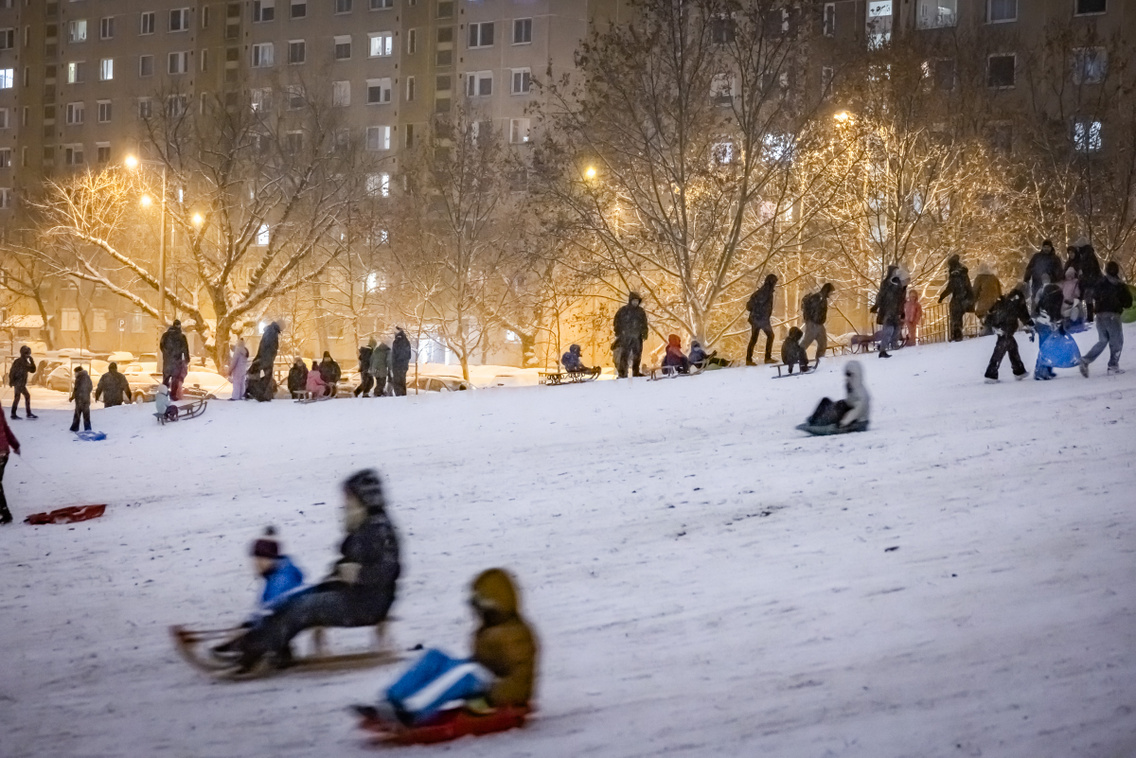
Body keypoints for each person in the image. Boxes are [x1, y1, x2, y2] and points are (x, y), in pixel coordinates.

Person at [229, 469, 401, 675]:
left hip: (368, 604)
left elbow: (389, 570)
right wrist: (335, 575)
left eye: (348, 498)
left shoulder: (379, 530)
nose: (344, 503)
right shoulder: (364, 527)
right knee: (292, 600)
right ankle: (264, 646)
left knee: (304, 608)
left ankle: (253, 653)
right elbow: (347, 561)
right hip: (354, 596)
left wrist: (357, 575)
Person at [359, 568, 538, 728]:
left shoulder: (518, 634)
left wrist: (496, 695)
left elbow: (522, 678)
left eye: (482, 608)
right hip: (481, 676)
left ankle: (412, 711)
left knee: (466, 671)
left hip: (500, 690)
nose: (477, 613)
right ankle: (392, 699)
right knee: (435, 656)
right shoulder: (488, 628)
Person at [212, 527, 306, 658]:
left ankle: (256, 657)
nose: (257, 564)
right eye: (255, 560)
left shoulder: (281, 579)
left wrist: (250, 626)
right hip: (285, 622)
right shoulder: (276, 573)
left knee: (257, 637)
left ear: (272, 559)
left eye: (261, 560)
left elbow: (271, 608)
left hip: (286, 622)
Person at [1081, 261, 1133, 376]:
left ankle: (1085, 360)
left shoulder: (1100, 282)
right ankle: (1113, 366)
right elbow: (1128, 302)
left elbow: (1093, 295)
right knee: (1117, 341)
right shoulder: (1119, 285)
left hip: (1099, 315)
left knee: (1103, 340)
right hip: (1113, 315)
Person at [983, 287, 1033, 383]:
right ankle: (991, 374)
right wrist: (1031, 325)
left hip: (998, 325)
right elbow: (1024, 315)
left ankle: (1019, 371)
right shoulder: (1019, 299)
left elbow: (992, 310)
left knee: (1012, 346)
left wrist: (990, 323)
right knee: (1000, 349)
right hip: (1006, 326)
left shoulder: (1006, 298)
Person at [804, 361, 870, 431]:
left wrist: (843, 423)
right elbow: (850, 401)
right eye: (846, 374)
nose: (846, 377)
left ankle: (818, 422)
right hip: (847, 410)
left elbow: (856, 412)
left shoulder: (861, 394)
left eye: (848, 374)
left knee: (836, 408)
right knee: (826, 401)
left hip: (857, 421)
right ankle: (815, 419)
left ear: (855, 375)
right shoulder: (852, 387)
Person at [872, 265, 906, 357]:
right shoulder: (886, 283)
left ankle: (894, 345)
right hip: (888, 310)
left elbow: (901, 298)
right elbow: (881, 295)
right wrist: (876, 305)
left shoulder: (898, 283)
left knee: (897, 328)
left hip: (896, 310)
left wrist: (902, 311)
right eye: (894, 271)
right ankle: (883, 350)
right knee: (888, 329)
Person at [938, 255, 973, 343]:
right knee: (959, 317)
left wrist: (942, 296)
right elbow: (968, 285)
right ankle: (958, 334)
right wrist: (971, 296)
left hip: (957, 298)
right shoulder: (963, 272)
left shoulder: (954, 274)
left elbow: (951, 287)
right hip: (965, 297)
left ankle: (956, 335)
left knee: (955, 317)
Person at [613, 292, 649, 378]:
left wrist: (645, 333)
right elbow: (616, 322)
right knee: (624, 355)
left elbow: (644, 323)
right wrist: (618, 332)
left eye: (637, 301)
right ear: (630, 301)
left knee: (637, 355)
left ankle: (636, 372)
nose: (635, 303)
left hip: (637, 337)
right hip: (625, 338)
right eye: (634, 301)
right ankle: (622, 373)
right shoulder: (623, 311)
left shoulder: (640, 312)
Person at [1067, 237, 1102, 322]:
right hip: (1093, 280)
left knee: (1089, 298)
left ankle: (1091, 318)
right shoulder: (1089, 254)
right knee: (1094, 298)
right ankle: (1095, 315)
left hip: (1090, 281)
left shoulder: (1087, 255)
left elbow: (1088, 269)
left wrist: (1084, 276)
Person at [745, 274, 777, 365]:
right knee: (770, 336)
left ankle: (749, 359)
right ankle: (767, 358)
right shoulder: (766, 292)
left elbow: (750, 306)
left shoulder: (762, 291)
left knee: (754, 338)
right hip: (761, 319)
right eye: (774, 282)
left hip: (757, 318)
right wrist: (761, 314)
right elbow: (761, 305)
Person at [799, 283, 835, 361]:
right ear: (827, 290)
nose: (831, 294)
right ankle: (795, 355)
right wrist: (813, 320)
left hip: (819, 324)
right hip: (813, 324)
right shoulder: (818, 297)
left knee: (823, 342)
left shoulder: (823, 298)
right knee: (807, 341)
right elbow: (813, 310)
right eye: (831, 292)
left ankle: (820, 359)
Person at [1023, 241, 1063, 309]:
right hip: (1037, 285)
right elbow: (1029, 268)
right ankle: (1035, 316)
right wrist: (1026, 279)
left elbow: (1059, 273)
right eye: (1045, 247)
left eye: (1048, 247)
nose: (1046, 249)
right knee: (1036, 303)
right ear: (1042, 247)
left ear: (1051, 248)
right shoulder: (1036, 257)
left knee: (1049, 305)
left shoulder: (1055, 259)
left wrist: (1050, 277)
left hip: (1050, 287)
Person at [159, 320, 190, 399]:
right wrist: (187, 359)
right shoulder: (181, 337)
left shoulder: (165, 335)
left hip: (167, 362)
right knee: (175, 379)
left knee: (165, 379)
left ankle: (163, 395)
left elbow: (161, 346)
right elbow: (185, 349)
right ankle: (173, 395)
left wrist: (166, 355)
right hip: (177, 361)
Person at [0, 409, 20, 524]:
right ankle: (4, 511)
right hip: (4, 453)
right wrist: (15, 445)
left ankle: (5, 513)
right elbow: (5, 427)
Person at [972, 264, 1003, 335]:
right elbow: (999, 292)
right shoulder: (994, 278)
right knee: (992, 320)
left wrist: (973, 302)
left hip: (983, 306)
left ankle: (986, 332)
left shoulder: (979, 278)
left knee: (985, 319)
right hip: (995, 305)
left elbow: (975, 292)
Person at [8, 345, 37, 420]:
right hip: (18, 382)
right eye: (27, 353)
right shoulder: (21, 362)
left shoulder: (22, 362)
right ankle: (19, 413)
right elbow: (12, 372)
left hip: (20, 383)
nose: (28, 355)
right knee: (21, 396)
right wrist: (11, 380)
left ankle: (15, 413)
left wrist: (32, 361)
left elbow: (32, 370)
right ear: (23, 353)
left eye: (29, 354)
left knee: (19, 397)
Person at [68, 366, 93, 432]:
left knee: (77, 415)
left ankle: (74, 428)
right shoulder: (87, 377)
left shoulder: (79, 378)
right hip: (86, 399)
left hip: (79, 399)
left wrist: (73, 397)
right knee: (86, 415)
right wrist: (86, 394)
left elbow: (76, 389)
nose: (74, 374)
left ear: (78, 372)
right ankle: (88, 429)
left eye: (75, 372)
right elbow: (90, 387)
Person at [391, 329, 412, 396]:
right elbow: (409, 355)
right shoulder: (406, 342)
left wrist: (394, 364)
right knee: (402, 381)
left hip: (397, 366)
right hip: (404, 366)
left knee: (397, 382)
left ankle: (399, 395)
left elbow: (394, 355)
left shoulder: (396, 342)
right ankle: (403, 394)